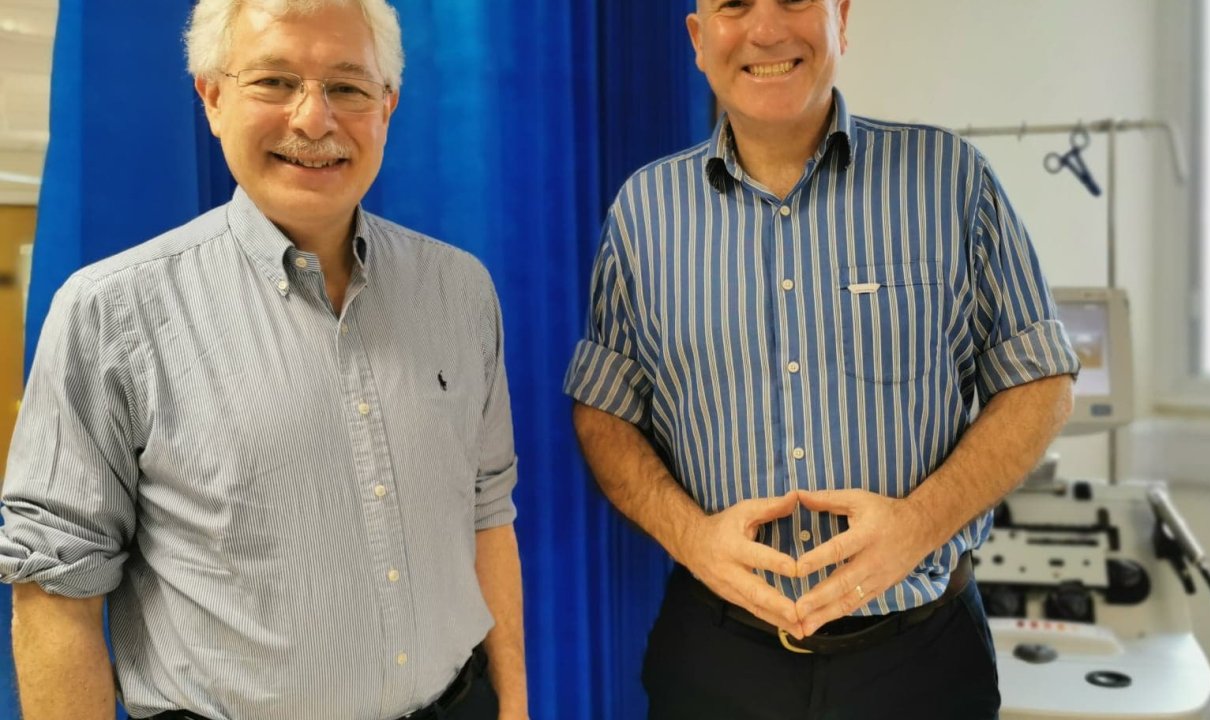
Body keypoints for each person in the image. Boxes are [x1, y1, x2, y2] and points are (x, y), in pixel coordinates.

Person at [0, 1, 527, 718]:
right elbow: (55, 589)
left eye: (347, 87)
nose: (313, 120)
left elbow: (488, 512)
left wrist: (516, 704)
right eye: (275, 82)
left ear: (388, 106)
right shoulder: (110, 313)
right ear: (212, 97)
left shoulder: (459, 290)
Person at [564, 1, 1078, 718]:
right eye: (735, 5)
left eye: (796, 0)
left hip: (921, 662)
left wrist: (919, 524)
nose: (767, 30)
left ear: (841, 18)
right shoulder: (641, 215)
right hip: (716, 663)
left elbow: (1041, 381)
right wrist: (691, 537)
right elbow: (603, 411)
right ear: (698, 39)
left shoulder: (950, 180)